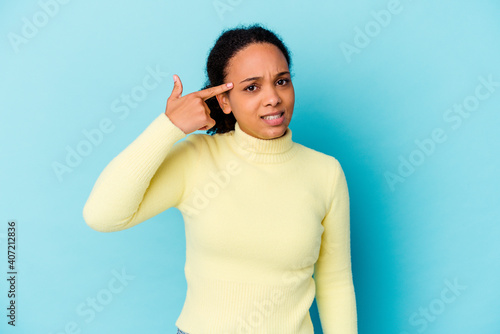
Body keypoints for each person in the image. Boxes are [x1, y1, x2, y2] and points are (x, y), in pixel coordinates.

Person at [83, 23, 357, 334]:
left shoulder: (325, 172)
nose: (273, 98)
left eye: (281, 81)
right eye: (252, 87)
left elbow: (335, 282)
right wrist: (168, 127)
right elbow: (102, 216)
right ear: (225, 101)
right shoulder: (197, 158)